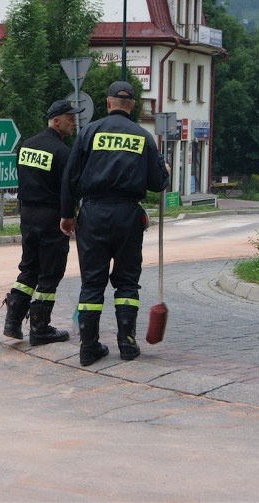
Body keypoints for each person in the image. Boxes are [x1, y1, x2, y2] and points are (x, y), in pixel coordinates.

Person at [60, 81, 170, 367]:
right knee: (126, 281)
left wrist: (67, 214)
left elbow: (70, 177)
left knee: (92, 282)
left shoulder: (88, 132)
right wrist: (164, 170)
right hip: (127, 215)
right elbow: (157, 184)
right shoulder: (143, 137)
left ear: (108, 103)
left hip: (93, 214)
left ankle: (88, 347)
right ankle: (128, 344)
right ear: (132, 106)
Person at [3, 99, 83, 345]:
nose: (74, 123)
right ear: (56, 120)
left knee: (29, 267)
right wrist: (70, 216)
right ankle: (40, 327)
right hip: (51, 217)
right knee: (50, 271)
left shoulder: (27, 146)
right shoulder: (62, 152)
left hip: (27, 214)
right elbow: (68, 189)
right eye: (70, 119)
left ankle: (13, 321)